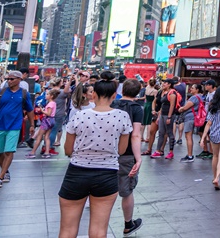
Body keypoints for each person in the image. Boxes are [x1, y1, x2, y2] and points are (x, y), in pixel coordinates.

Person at [58, 72, 133, 238]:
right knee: (99, 231)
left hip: (77, 172)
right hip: (107, 174)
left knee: (67, 230)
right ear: (114, 95)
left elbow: (68, 150)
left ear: (93, 94)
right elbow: (121, 150)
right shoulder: (122, 117)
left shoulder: (79, 116)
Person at [111, 78, 144, 236]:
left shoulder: (112, 104)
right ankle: (128, 224)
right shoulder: (137, 109)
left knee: (106, 190)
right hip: (127, 154)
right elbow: (135, 135)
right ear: (138, 92)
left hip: (109, 152)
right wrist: (138, 158)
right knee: (126, 190)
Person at [0, 70, 33, 188]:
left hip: (14, 126)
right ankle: (6, 171)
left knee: (9, 151)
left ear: (19, 79)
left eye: (12, 79)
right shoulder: (1, 92)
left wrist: (32, 125)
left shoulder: (24, 93)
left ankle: (0, 177)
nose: (9, 81)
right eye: (8, 79)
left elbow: (29, 109)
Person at [151, 78, 178, 159]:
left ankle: (171, 152)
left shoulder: (172, 93)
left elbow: (172, 106)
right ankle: (158, 150)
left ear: (169, 84)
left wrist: (169, 117)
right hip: (162, 114)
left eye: (165, 83)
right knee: (161, 132)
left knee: (169, 132)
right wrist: (159, 116)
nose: (163, 84)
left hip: (168, 115)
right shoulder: (163, 92)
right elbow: (162, 106)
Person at [177, 82, 205, 161]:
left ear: (197, 89)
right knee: (189, 136)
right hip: (195, 117)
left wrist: (180, 109)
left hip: (190, 118)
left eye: (192, 88)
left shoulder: (194, 97)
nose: (191, 89)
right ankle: (189, 155)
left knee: (188, 136)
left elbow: (185, 107)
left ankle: (190, 155)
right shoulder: (201, 97)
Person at [28, 87, 58, 158]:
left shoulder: (50, 104)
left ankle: (33, 152)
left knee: (39, 136)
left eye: (47, 94)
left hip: (46, 120)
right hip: (52, 120)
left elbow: (48, 113)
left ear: (51, 96)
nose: (46, 95)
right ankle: (47, 152)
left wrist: (42, 111)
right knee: (47, 137)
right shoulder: (54, 103)